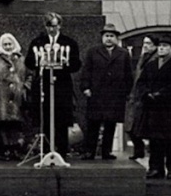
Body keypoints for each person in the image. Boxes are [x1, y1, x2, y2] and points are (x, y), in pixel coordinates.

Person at [25, 11, 82, 158]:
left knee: (62, 118)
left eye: (54, 26)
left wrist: (64, 63)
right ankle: (46, 149)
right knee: (45, 116)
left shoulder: (69, 42)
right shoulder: (38, 42)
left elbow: (76, 64)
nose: (51, 29)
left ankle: (62, 150)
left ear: (60, 25)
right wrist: (40, 63)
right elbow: (29, 62)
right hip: (43, 84)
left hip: (62, 85)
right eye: (48, 26)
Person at [80, 23, 132, 160]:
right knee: (93, 123)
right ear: (102, 37)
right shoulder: (93, 52)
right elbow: (86, 71)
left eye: (111, 36)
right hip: (96, 93)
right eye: (106, 36)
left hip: (115, 95)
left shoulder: (123, 54)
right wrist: (85, 87)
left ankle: (106, 151)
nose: (108, 39)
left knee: (110, 123)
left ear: (116, 38)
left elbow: (128, 75)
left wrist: (126, 92)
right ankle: (89, 151)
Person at [139, 34, 171, 179]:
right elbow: (142, 82)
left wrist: (161, 94)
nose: (161, 48)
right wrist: (147, 94)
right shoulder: (150, 65)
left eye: (165, 46)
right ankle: (155, 168)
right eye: (160, 46)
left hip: (170, 109)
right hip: (153, 108)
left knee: (170, 140)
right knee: (154, 140)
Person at [0, 32, 28, 160]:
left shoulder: (22, 59)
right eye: (5, 44)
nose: (7, 46)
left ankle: (16, 149)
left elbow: (29, 74)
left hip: (17, 94)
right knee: (3, 122)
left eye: (9, 44)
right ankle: (5, 149)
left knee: (16, 122)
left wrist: (25, 86)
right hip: (1, 94)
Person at [125, 35, 156, 160]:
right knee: (130, 126)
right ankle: (139, 149)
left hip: (145, 96)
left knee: (141, 127)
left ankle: (144, 151)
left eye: (148, 43)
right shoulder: (143, 57)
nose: (145, 45)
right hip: (135, 95)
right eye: (144, 43)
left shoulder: (155, 58)